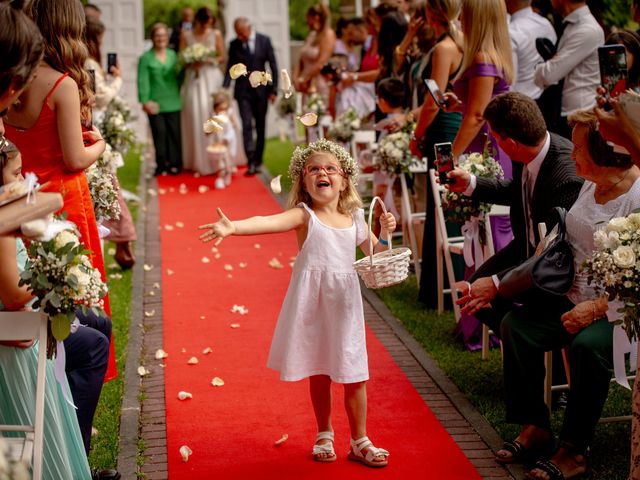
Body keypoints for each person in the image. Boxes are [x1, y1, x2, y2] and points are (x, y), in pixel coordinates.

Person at [199, 139, 393, 468]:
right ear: (304, 182)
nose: (322, 173)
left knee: (354, 371)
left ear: (344, 180)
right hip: (313, 305)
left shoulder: (356, 218)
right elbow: (267, 221)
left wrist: (386, 233)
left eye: (330, 168)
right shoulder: (304, 216)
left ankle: (359, 439)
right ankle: (324, 432)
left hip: (345, 305)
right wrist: (234, 227)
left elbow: (380, 256)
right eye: (313, 169)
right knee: (320, 370)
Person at [492, 110, 640, 479]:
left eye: (577, 149)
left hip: (623, 310)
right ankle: (536, 427)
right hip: (571, 295)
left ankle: (574, 449)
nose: (570, 156)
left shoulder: (636, 198)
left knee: (586, 346)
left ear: (605, 153)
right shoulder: (590, 182)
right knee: (516, 326)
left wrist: (596, 309)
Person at [447, 92, 583, 336]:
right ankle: (521, 344)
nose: (496, 142)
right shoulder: (529, 148)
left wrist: (497, 283)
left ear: (510, 142)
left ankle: (527, 341)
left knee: (487, 295)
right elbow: (517, 190)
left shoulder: (565, 177)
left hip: (552, 265)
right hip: (524, 248)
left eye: (496, 138)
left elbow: (555, 253)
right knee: (471, 292)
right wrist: (471, 183)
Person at [0, 139, 93, 480]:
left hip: (16, 332)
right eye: (16, 173)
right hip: (13, 341)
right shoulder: (2, 222)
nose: (24, 179)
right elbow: (12, 294)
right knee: (19, 421)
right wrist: (57, 282)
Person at [409, 0, 464, 306]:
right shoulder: (465, 42)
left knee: (442, 203)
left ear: (432, 13)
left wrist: (416, 136)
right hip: (454, 126)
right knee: (450, 200)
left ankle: (441, 285)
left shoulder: (444, 48)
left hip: (443, 130)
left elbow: (434, 100)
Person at [84, 18, 137, 269]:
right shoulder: (89, 62)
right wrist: (117, 80)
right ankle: (122, 240)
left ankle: (123, 239)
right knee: (107, 188)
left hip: (97, 128)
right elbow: (101, 97)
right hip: (95, 130)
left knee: (108, 187)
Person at [533, 0, 603, 139]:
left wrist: (540, 69)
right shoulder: (572, 25)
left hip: (580, 117)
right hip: (566, 114)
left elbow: (548, 75)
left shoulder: (587, 29)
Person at [223, 17, 278, 176]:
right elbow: (230, 68)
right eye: (237, 34)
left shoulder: (264, 41)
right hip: (243, 92)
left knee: (260, 126)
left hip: (261, 91)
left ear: (249, 28)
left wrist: (274, 90)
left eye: (242, 34)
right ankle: (251, 161)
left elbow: (273, 65)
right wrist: (225, 88)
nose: (240, 37)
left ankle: (258, 160)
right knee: (246, 125)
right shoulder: (234, 45)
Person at [180, 7, 225, 177]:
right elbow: (182, 58)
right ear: (198, 21)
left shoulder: (216, 34)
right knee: (194, 115)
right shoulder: (186, 35)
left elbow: (221, 56)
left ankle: (219, 158)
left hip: (212, 78)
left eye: (210, 23)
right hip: (194, 78)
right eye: (205, 23)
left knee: (214, 113)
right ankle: (196, 159)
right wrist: (192, 61)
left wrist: (207, 59)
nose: (207, 26)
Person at [137, 22, 183, 176]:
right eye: (157, 35)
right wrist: (145, 101)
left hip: (173, 100)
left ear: (167, 37)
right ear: (152, 38)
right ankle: (161, 164)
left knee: (174, 135)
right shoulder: (146, 58)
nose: (161, 38)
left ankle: (175, 164)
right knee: (160, 134)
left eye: (163, 35)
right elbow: (143, 80)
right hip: (155, 102)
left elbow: (180, 77)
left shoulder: (174, 55)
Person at [506, 0, 556, 100]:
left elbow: (509, 81)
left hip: (517, 103)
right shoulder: (546, 25)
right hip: (545, 100)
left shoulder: (511, 33)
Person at [293, 5, 336, 107]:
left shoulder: (328, 34)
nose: (307, 22)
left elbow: (322, 62)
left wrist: (304, 78)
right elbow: (301, 59)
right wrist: (296, 78)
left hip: (317, 82)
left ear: (316, 17)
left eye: (308, 18)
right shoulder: (311, 35)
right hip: (305, 84)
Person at [207, 91, 240, 190]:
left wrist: (227, 138)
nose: (223, 112)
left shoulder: (229, 116)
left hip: (228, 142)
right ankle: (220, 177)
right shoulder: (213, 118)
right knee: (220, 162)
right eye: (220, 109)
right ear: (215, 109)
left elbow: (233, 128)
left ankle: (228, 173)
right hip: (218, 143)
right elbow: (207, 132)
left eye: (225, 109)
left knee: (228, 160)